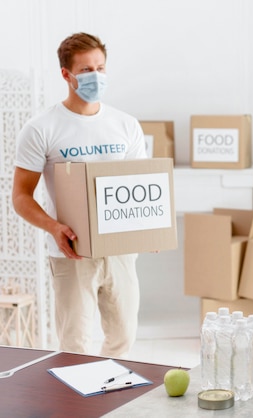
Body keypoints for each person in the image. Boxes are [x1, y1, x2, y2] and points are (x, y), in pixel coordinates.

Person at [12, 32, 147, 358]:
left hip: (119, 250)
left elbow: (139, 188)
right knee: (75, 344)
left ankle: (113, 402)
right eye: (86, 70)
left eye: (100, 68)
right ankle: (75, 406)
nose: (96, 76)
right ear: (66, 75)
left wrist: (147, 228)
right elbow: (20, 196)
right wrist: (54, 228)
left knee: (123, 337)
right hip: (71, 251)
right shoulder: (41, 128)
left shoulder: (126, 125)